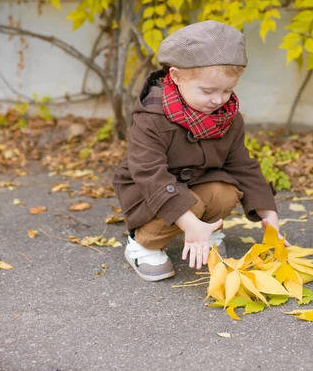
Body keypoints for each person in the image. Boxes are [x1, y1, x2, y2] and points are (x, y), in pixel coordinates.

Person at [113, 20, 288, 282]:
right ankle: (143, 244)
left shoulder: (227, 117)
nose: (219, 100)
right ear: (176, 76)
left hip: (197, 185)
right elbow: (149, 174)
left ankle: (206, 230)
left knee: (225, 192)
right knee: (189, 205)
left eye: (228, 90)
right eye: (208, 91)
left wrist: (269, 216)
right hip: (149, 192)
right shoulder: (151, 117)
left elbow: (242, 165)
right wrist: (189, 221)